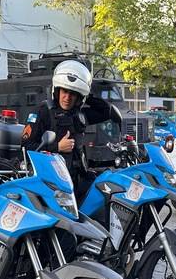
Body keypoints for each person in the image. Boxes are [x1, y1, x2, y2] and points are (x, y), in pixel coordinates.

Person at [22, 59, 120, 200]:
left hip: (77, 179)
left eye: (73, 94)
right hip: (53, 184)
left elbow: (106, 111)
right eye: (65, 91)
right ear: (57, 90)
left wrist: (85, 92)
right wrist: (57, 147)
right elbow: (26, 148)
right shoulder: (43, 111)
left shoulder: (79, 114)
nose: (67, 98)